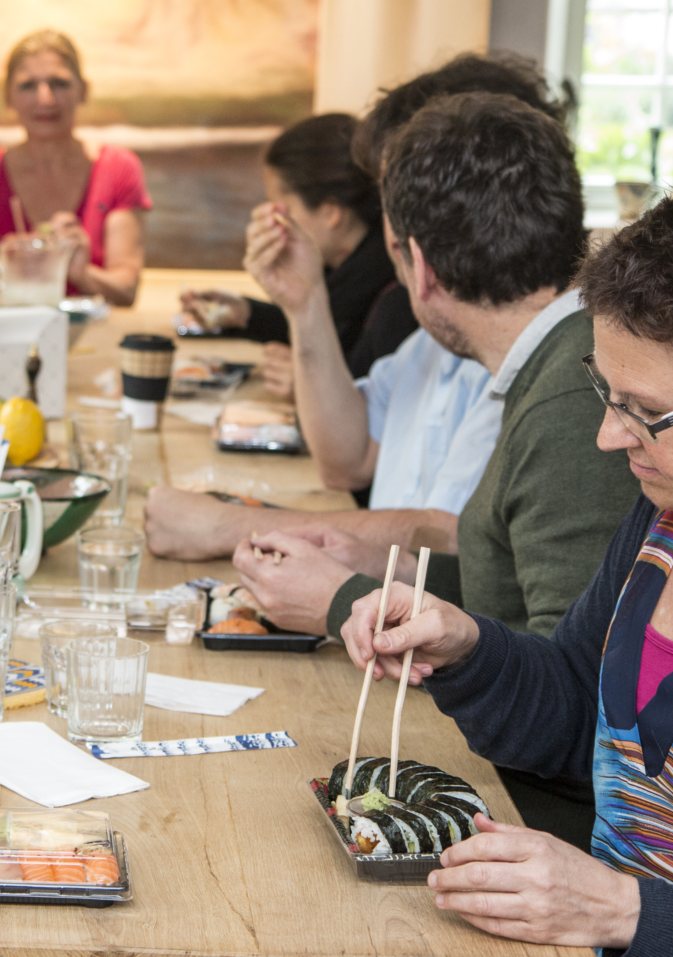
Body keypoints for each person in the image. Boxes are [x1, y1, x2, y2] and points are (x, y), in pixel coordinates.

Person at [342, 159, 673, 954]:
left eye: (648, 412)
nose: (608, 436)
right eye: (607, 394)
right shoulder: (668, 517)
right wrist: (467, 650)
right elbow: (578, 719)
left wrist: (623, 914)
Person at [235, 91, 641, 846]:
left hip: (542, 834)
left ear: (417, 265)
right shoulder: (551, 367)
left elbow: (579, 703)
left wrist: (346, 599)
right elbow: (515, 595)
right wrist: (377, 588)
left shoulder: (573, 398)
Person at [147, 50, 573, 564]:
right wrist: (305, 305)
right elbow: (346, 461)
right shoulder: (430, 337)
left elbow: (454, 541)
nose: (385, 220)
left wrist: (231, 524)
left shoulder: (539, 357)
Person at [179, 113, 419, 388]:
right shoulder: (344, 274)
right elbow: (320, 325)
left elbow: (379, 403)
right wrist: (245, 312)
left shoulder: (394, 300)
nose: (273, 222)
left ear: (330, 213)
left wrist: (309, 386)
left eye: (282, 209)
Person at [0, 29, 150, 307]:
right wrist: (15, 266)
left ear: (84, 91)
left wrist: (82, 273)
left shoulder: (118, 169)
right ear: (8, 97)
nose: (45, 99)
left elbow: (126, 288)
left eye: (59, 83)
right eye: (28, 86)